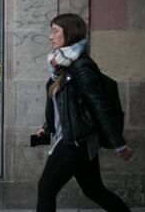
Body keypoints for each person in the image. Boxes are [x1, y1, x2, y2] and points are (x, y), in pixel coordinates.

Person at [36, 13, 133, 211]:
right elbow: (65, 104)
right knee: (94, 190)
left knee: (46, 189)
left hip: (75, 143)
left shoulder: (81, 67)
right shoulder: (62, 66)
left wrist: (118, 145)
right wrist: (47, 127)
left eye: (55, 31)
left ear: (69, 34)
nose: (50, 36)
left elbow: (99, 106)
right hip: (79, 142)